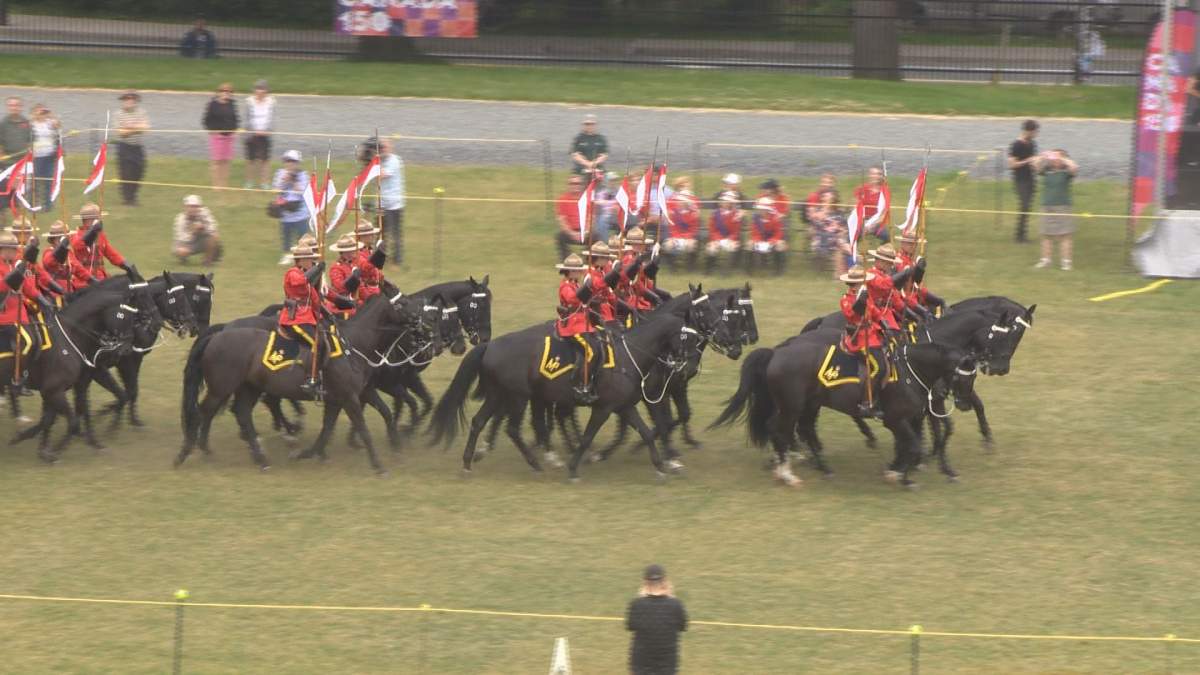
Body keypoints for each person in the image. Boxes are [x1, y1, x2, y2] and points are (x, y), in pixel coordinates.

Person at [839, 265, 886, 419]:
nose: (863, 284)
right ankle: (867, 403)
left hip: (873, 336)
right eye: (861, 282)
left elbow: (876, 314)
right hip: (860, 340)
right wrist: (860, 300)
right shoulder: (846, 300)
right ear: (854, 284)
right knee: (878, 368)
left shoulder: (867, 296)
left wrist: (886, 326)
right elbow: (852, 315)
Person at [278, 244, 324, 396]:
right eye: (309, 259)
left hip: (307, 319)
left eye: (312, 259)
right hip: (294, 320)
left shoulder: (308, 282)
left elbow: (316, 302)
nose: (312, 261)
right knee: (317, 344)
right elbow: (300, 282)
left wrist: (326, 317)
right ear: (301, 260)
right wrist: (316, 270)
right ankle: (311, 379)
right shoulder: (292, 273)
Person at [626, 564, 688, 675]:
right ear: (665, 581)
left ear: (645, 582)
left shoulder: (637, 604)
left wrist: (642, 599)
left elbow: (630, 625)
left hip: (641, 663)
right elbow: (683, 626)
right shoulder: (676, 605)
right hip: (667, 663)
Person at [555, 253, 598, 404]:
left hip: (583, 323)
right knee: (590, 352)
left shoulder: (575, 284)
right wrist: (585, 288)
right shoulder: (566, 286)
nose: (580, 273)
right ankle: (579, 384)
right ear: (570, 271)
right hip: (572, 326)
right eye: (578, 271)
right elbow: (572, 299)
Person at [1033, 148, 1079, 271]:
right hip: (1047, 206)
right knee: (1046, 234)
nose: (1054, 161)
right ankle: (1045, 260)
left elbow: (1075, 168)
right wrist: (1044, 156)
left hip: (1063, 207)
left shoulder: (1067, 172)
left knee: (1065, 236)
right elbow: (1035, 165)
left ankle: (1066, 262)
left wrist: (1062, 158)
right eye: (1053, 158)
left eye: (1057, 158)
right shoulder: (1046, 170)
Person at [71, 202, 133, 281]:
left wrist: (125, 264)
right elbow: (78, 245)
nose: (99, 220)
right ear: (89, 220)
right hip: (84, 280)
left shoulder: (100, 235)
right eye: (97, 218)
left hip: (101, 276)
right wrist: (93, 231)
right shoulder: (76, 235)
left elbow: (111, 254)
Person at [865, 242, 912, 334]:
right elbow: (883, 285)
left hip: (886, 313)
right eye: (889, 263)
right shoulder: (870, 274)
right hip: (872, 315)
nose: (891, 266)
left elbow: (896, 301)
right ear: (881, 262)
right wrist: (904, 273)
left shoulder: (885, 276)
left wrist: (913, 315)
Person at [273, 150, 311, 265]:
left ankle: (303, 257)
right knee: (286, 236)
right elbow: (275, 190)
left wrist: (293, 181)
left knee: (302, 238)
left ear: (298, 163)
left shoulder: (303, 175)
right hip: (285, 213)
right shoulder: (280, 173)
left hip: (301, 213)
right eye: (287, 161)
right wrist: (284, 181)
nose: (290, 163)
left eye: (293, 161)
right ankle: (286, 255)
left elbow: (303, 191)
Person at [41, 220, 92, 303]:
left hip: (69, 291)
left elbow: (78, 269)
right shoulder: (48, 252)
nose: (69, 239)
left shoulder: (69, 253)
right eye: (66, 237)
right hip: (55, 295)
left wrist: (91, 279)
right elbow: (49, 261)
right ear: (55, 239)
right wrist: (61, 249)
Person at [115, 90, 150, 207]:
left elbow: (146, 128)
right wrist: (136, 127)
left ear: (135, 101)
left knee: (139, 171)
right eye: (126, 99)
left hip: (138, 147)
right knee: (126, 173)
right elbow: (121, 133)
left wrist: (129, 127)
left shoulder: (142, 112)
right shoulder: (118, 114)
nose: (129, 101)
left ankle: (133, 196)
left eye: (131, 99)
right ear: (123, 101)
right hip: (124, 147)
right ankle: (128, 199)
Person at [1008, 119, 1040, 243]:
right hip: (1020, 180)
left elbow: (1034, 163)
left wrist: (1038, 164)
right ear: (1028, 131)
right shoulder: (1016, 145)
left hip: (1031, 179)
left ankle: (1023, 235)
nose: (1036, 134)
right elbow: (1012, 164)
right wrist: (1028, 161)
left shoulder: (1032, 144)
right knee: (1024, 205)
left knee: (1027, 207)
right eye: (1035, 132)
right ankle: (1019, 236)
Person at [202, 83, 238, 188]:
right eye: (223, 91)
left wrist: (235, 130)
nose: (226, 93)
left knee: (226, 161)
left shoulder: (232, 104)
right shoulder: (212, 104)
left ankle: (224, 184)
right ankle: (216, 185)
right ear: (218, 92)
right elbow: (206, 120)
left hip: (229, 137)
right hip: (217, 137)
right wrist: (212, 131)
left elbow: (236, 119)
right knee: (217, 161)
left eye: (229, 92)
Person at [0, 97, 31, 219]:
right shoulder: (3, 124)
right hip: (6, 165)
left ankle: (19, 220)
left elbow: (30, 142)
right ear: (8, 107)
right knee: (4, 192)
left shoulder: (26, 123)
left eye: (16, 105)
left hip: (22, 164)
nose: (14, 108)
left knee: (19, 192)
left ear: (20, 107)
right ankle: (2, 217)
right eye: (11, 105)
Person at [378, 138, 406, 265]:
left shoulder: (394, 161)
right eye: (381, 147)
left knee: (395, 234)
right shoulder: (381, 161)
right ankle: (379, 258)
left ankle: (398, 259)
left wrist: (372, 164)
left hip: (394, 205)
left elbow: (382, 175)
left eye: (384, 147)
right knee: (381, 234)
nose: (382, 150)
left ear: (390, 148)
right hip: (382, 204)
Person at [172, 195, 222, 266]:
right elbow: (182, 239)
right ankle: (183, 259)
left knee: (214, 236)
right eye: (191, 206)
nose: (193, 209)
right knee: (182, 251)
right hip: (185, 244)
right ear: (185, 207)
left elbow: (213, 227)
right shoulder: (180, 219)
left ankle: (207, 261)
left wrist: (203, 228)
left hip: (200, 241)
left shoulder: (205, 213)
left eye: (196, 206)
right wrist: (193, 231)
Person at [243, 80, 275, 190]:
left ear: (266, 91)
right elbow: (248, 119)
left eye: (263, 89)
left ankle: (265, 182)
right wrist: (253, 131)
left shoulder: (271, 102)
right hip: (252, 135)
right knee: (250, 159)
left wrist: (267, 130)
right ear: (254, 90)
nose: (260, 91)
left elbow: (271, 118)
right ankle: (249, 182)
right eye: (258, 89)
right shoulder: (249, 102)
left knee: (265, 160)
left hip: (266, 135)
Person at [664, 176, 700, 271]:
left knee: (691, 245)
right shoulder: (673, 200)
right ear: (678, 187)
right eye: (682, 185)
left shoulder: (693, 201)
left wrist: (690, 205)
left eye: (687, 184)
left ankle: (690, 267)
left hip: (689, 234)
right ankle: (673, 267)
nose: (685, 186)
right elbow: (669, 215)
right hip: (675, 233)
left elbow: (695, 219)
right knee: (668, 245)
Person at [704, 192, 744, 275]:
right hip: (717, 238)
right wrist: (717, 240)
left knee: (732, 247)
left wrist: (729, 240)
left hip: (730, 239)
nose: (725, 203)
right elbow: (712, 230)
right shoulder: (715, 214)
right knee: (711, 248)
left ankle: (726, 271)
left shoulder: (736, 215)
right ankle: (709, 269)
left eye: (728, 202)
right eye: (724, 201)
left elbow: (736, 232)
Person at [30, 103, 59, 211]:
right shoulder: (32, 124)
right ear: (34, 112)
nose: (41, 113)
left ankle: (47, 204)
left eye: (43, 111)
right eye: (39, 111)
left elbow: (58, 125)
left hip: (49, 156)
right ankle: (33, 203)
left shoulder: (50, 123)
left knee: (48, 180)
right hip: (36, 157)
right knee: (34, 181)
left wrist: (50, 115)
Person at [583, 240, 619, 326]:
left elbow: (606, 291)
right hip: (596, 309)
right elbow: (597, 285)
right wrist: (612, 274)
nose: (607, 260)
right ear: (598, 258)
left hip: (605, 308)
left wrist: (615, 301)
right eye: (605, 258)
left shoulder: (601, 272)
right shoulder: (589, 273)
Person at [325, 234, 362, 318]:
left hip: (357, 300)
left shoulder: (354, 264)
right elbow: (340, 288)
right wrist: (353, 278)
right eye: (350, 250)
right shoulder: (336, 268)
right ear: (344, 252)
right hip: (344, 303)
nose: (353, 252)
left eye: (353, 249)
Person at [749, 196, 787, 276]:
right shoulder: (756, 219)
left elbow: (778, 233)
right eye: (760, 209)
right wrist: (758, 242)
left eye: (762, 209)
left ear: (768, 210)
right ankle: (750, 269)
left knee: (779, 246)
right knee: (749, 245)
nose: (760, 211)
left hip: (773, 240)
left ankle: (778, 269)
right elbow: (754, 233)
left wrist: (771, 242)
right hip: (760, 239)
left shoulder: (775, 218)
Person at [853, 167, 889, 243]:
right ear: (869, 175)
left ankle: (883, 252)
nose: (875, 176)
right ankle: (853, 252)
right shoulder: (861, 188)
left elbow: (883, 214)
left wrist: (871, 226)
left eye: (878, 174)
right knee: (853, 234)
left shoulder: (885, 192)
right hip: (861, 220)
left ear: (881, 176)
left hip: (876, 221)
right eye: (873, 174)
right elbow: (855, 209)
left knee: (886, 236)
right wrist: (862, 224)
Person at [352, 219, 385, 301]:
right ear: (361, 237)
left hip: (377, 289)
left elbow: (377, 271)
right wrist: (378, 253)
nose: (373, 236)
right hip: (364, 294)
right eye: (370, 234)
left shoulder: (369, 251)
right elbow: (365, 268)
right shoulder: (356, 253)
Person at [555, 175, 586, 260]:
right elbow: (562, 220)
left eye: (578, 183)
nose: (575, 185)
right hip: (570, 231)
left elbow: (591, 219)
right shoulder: (562, 199)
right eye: (572, 183)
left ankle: (589, 260)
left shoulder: (586, 199)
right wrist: (572, 233)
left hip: (584, 231)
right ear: (568, 185)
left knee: (595, 236)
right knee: (559, 236)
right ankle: (567, 260)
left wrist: (584, 232)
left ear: (581, 185)